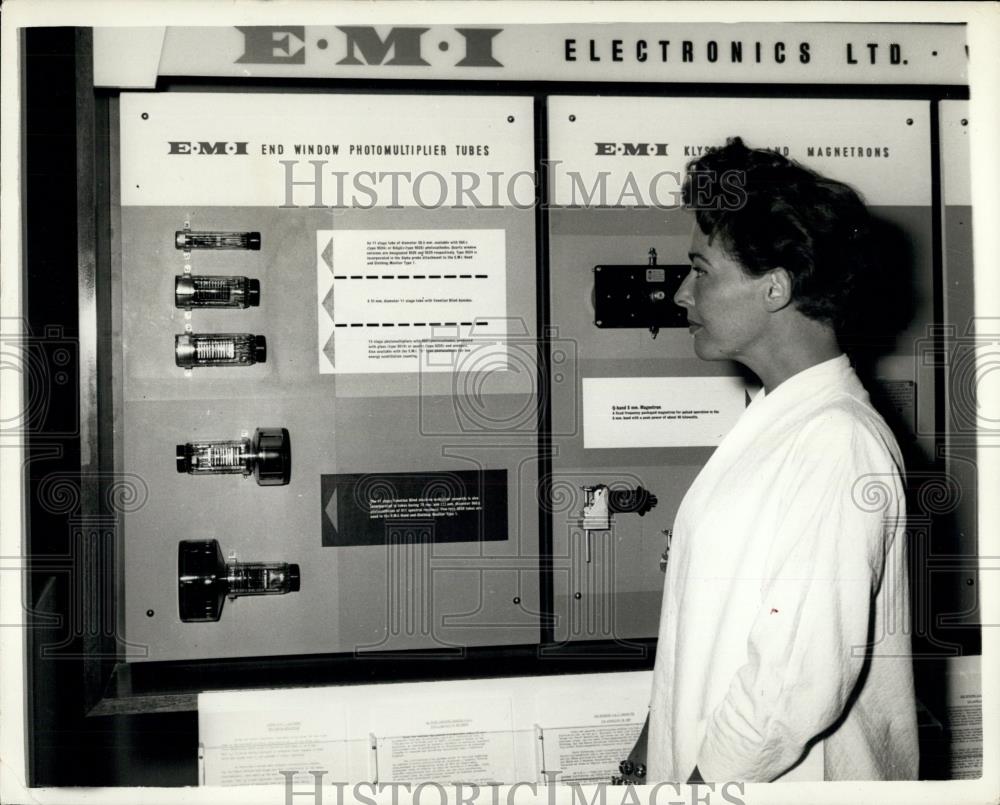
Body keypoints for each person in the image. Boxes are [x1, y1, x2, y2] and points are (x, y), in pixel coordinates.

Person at [624, 137, 918, 783]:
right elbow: (700, 636)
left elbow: (793, 682)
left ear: (775, 288)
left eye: (701, 269)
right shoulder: (774, 422)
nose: (680, 294)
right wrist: (644, 761)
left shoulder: (835, 440)